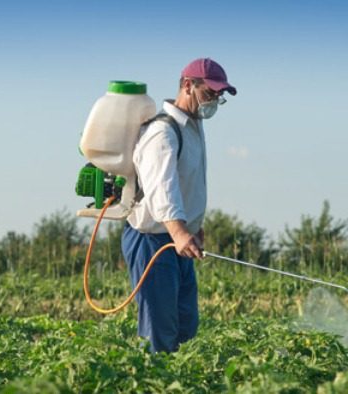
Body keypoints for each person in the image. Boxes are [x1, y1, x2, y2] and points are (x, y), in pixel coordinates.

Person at [121, 58, 237, 353]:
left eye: (218, 96)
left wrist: (194, 227)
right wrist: (179, 230)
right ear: (188, 85)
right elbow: (163, 188)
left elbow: (190, 182)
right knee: (161, 331)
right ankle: (155, 382)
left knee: (186, 325)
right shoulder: (162, 132)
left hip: (177, 237)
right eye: (210, 93)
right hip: (153, 240)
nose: (214, 101)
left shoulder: (193, 126)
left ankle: (180, 380)